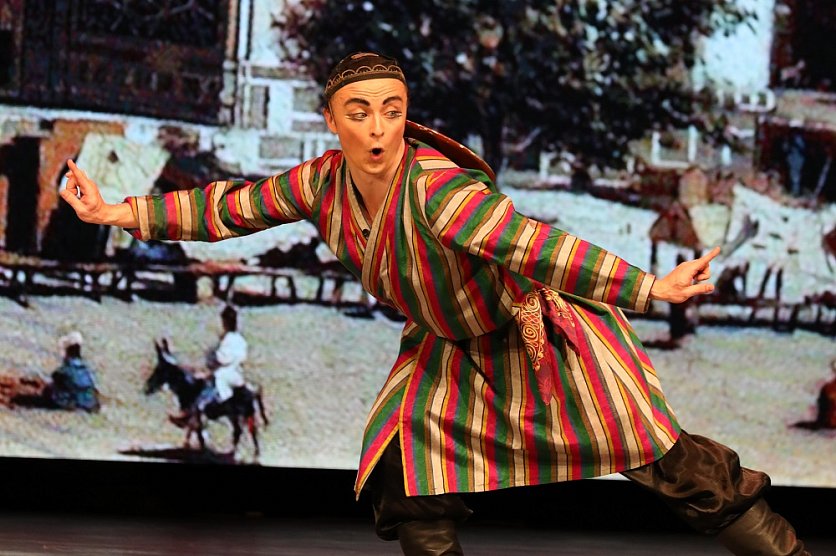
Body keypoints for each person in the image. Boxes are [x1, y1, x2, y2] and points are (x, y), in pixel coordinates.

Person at [60, 51, 807, 555]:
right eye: (358, 112)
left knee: (669, 465)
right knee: (406, 478)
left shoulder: (438, 190)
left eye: (391, 109)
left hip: (536, 337)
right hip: (449, 349)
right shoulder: (321, 183)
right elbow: (230, 207)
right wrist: (117, 212)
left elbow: (535, 247)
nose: (377, 127)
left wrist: (648, 287)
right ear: (332, 120)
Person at [170, 304, 248, 426]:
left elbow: (221, 359)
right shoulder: (239, 339)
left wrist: (208, 369)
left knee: (202, 393)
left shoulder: (228, 339)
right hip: (236, 373)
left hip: (224, 375)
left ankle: (191, 415)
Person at [50, 331, 100, 413]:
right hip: (91, 404)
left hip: (73, 405)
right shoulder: (88, 371)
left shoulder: (61, 373)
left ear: (66, 351)